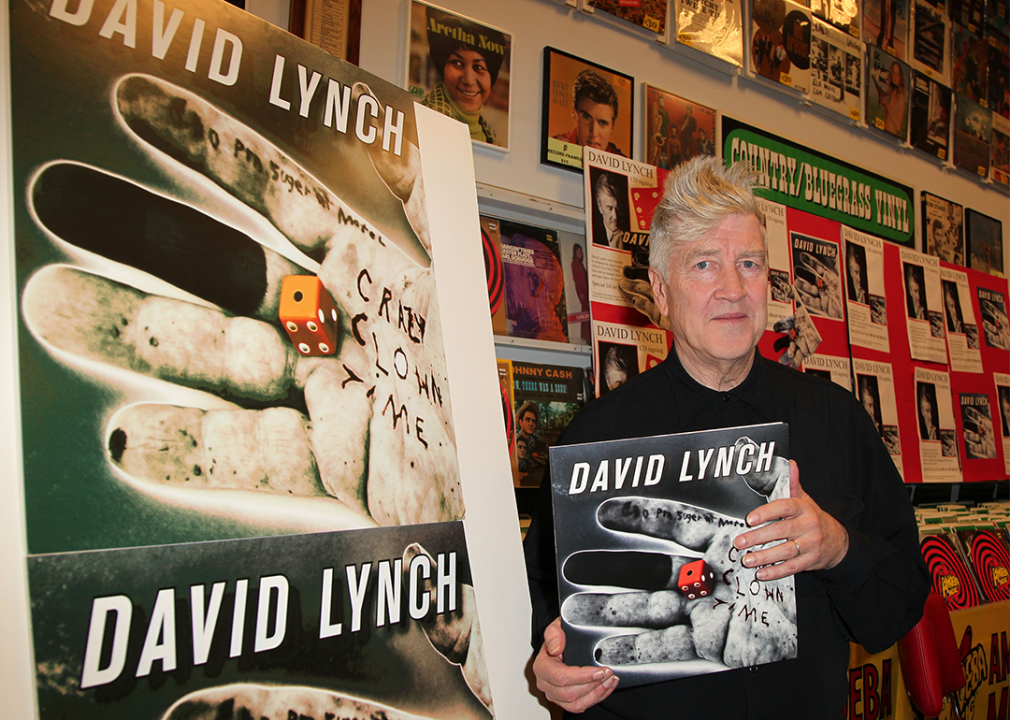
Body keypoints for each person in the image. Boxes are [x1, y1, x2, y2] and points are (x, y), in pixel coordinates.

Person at [523, 156, 928, 719]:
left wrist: (836, 547)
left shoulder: (837, 421)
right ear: (661, 293)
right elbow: (543, 593)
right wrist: (549, 662)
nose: (734, 289)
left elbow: (898, 606)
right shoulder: (597, 435)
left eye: (749, 263)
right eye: (705, 265)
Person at [421, 6, 507, 145]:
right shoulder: (422, 121)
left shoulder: (491, 136)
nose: (468, 80)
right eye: (458, 63)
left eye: (478, 67)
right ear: (443, 66)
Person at [553, 69, 626, 156]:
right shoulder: (554, 149)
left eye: (602, 123)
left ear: (612, 126)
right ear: (574, 111)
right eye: (587, 117)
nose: (594, 133)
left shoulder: (622, 163)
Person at [591, 171, 629, 248]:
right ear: (600, 207)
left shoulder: (629, 231)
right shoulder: (594, 236)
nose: (615, 216)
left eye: (618, 208)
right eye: (609, 208)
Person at [873, 61, 907, 138]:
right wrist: (885, 105)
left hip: (892, 137)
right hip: (885, 134)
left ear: (900, 77)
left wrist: (888, 106)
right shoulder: (892, 94)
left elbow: (898, 127)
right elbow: (888, 117)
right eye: (893, 73)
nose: (895, 77)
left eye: (897, 74)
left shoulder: (901, 97)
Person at [571, 243, 591, 343]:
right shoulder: (575, 263)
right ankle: (586, 337)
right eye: (578, 251)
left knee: (586, 315)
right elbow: (578, 280)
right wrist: (582, 294)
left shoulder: (579, 263)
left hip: (585, 292)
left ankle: (586, 336)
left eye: (580, 251)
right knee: (586, 314)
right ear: (575, 252)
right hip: (583, 293)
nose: (580, 253)